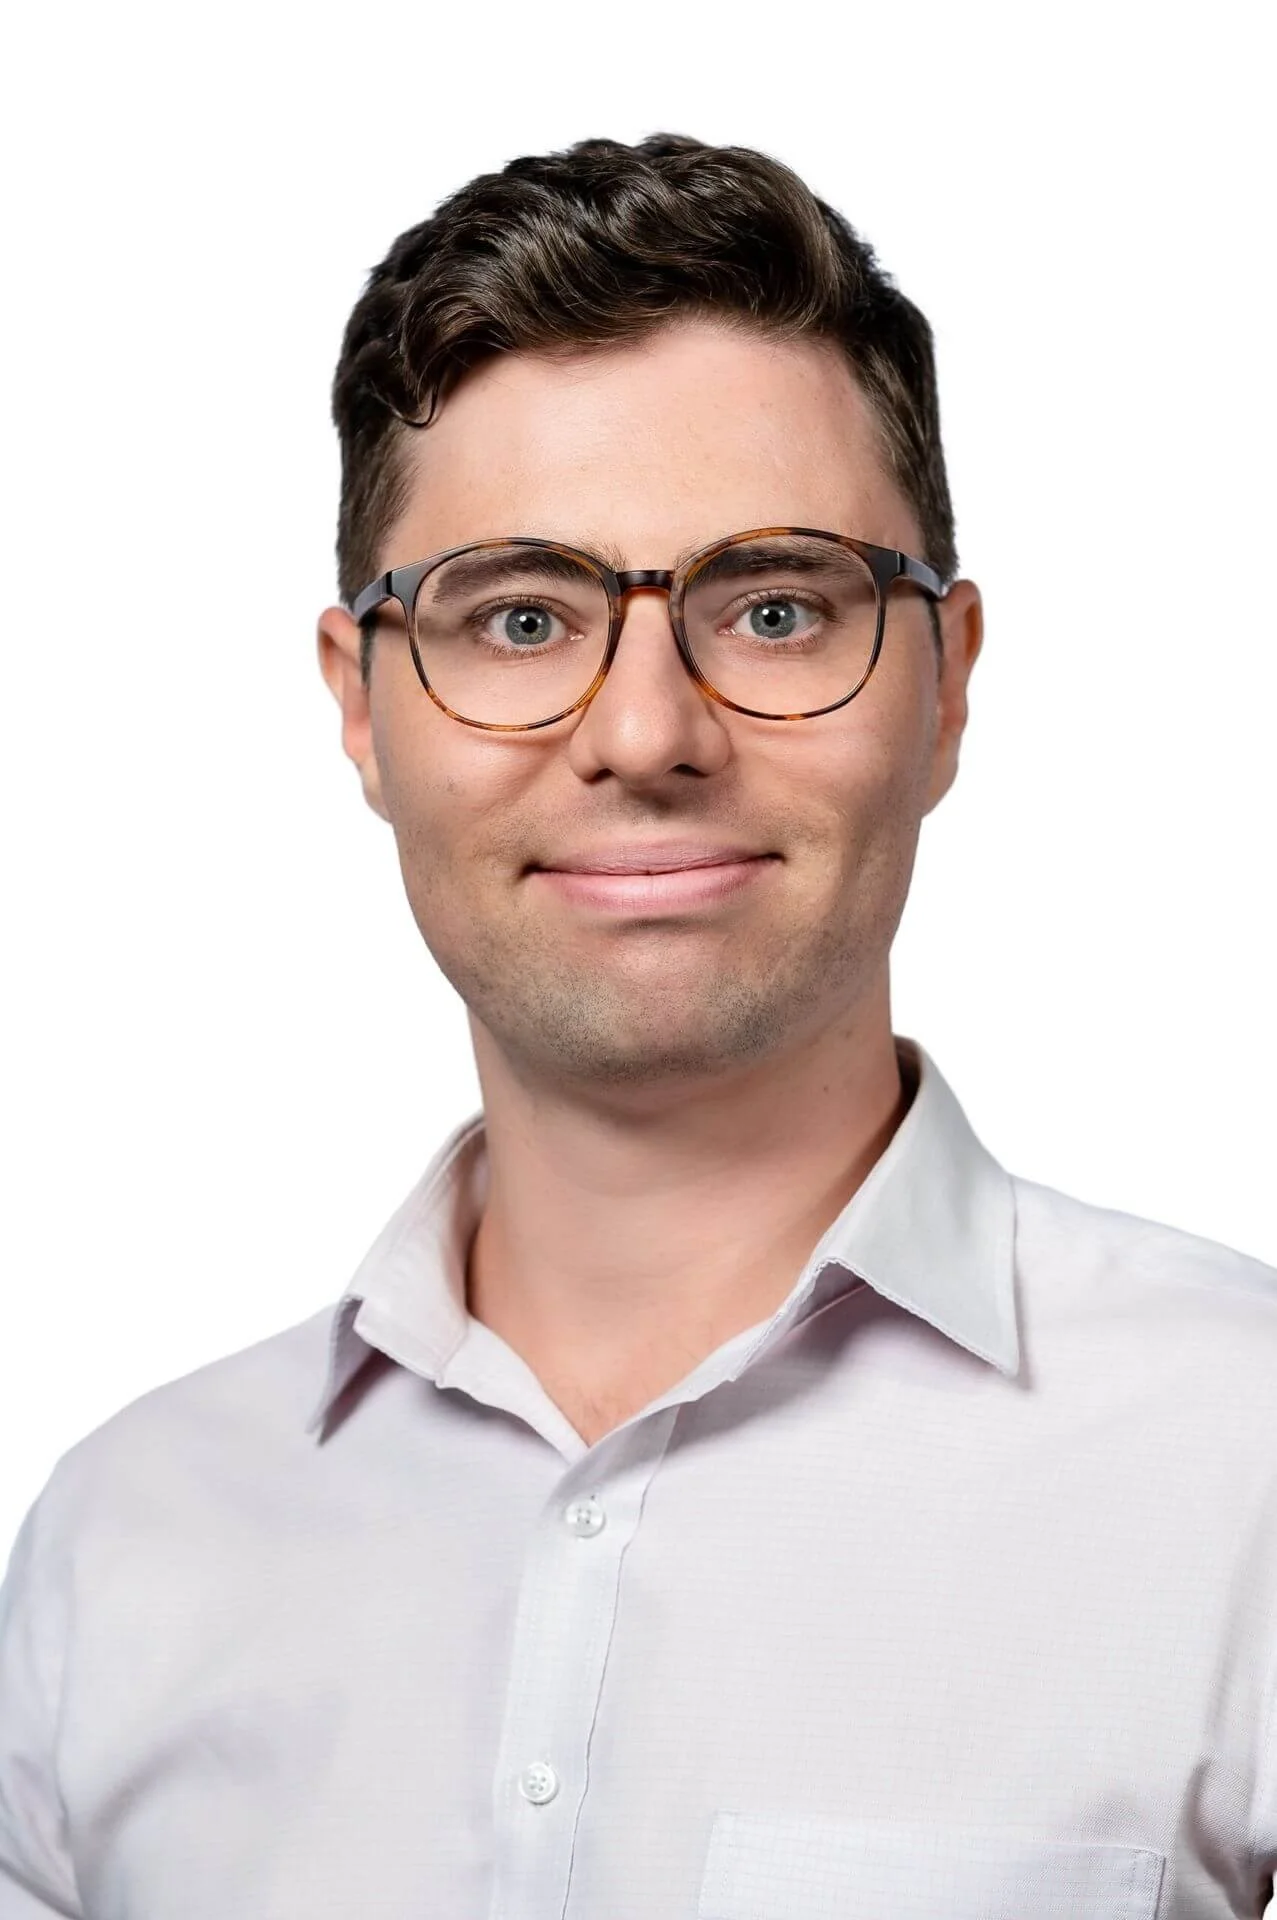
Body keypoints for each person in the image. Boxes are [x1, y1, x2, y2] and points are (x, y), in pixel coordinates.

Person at [1, 131, 1274, 1920]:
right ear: (364, 712)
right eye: (520, 617)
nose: (648, 733)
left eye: (775, 608)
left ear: (949, 683)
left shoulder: (1248, 1473)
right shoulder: (113, 1556)